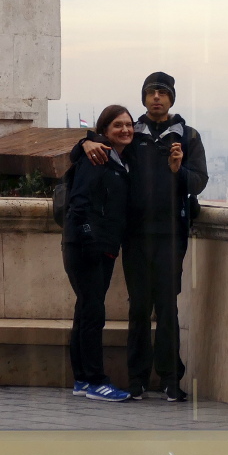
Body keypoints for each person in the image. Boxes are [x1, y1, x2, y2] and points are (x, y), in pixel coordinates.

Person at [82, 71, 207, 402]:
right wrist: (85, 142)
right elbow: (97, 144)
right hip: (135, 235)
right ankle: (136, 379)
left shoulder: (188, 137)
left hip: (170, 234)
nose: (156, 98)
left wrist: (179, 170)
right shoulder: (131, 134)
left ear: (171, 99)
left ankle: (170, 379)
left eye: (162, 93)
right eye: (151, 92)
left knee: (167, 307)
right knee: (138, 307)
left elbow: (199, 181)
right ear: (144, 98)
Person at [61, 104, 135, 402]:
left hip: (94, 245)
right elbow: (79, 202)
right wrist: (90, 239)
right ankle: (95, 380)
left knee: (85, 311)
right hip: (87, 247)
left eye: (129, 124)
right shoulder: (98, 158)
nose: (125, 129)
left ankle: (82, 379)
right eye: (118, 125)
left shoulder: (113, 158)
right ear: (104, 130)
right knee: (93, 313)